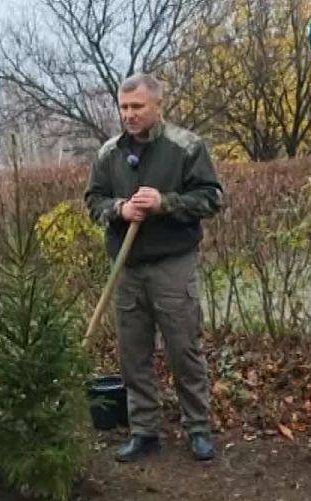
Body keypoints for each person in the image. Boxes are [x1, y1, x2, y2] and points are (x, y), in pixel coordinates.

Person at [84, 72, 224, 463]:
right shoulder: (109, 153)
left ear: (158, 105)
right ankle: (144, 430)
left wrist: (166, 203)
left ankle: (198, 427)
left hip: (172, 265)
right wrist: (119, 209)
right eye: (124, 107)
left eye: (137, 107)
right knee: (133, 354)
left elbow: (211, 198)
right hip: (127, 268)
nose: (129, 114)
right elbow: (94, 199)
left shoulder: (186, 147)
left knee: (184, 348)